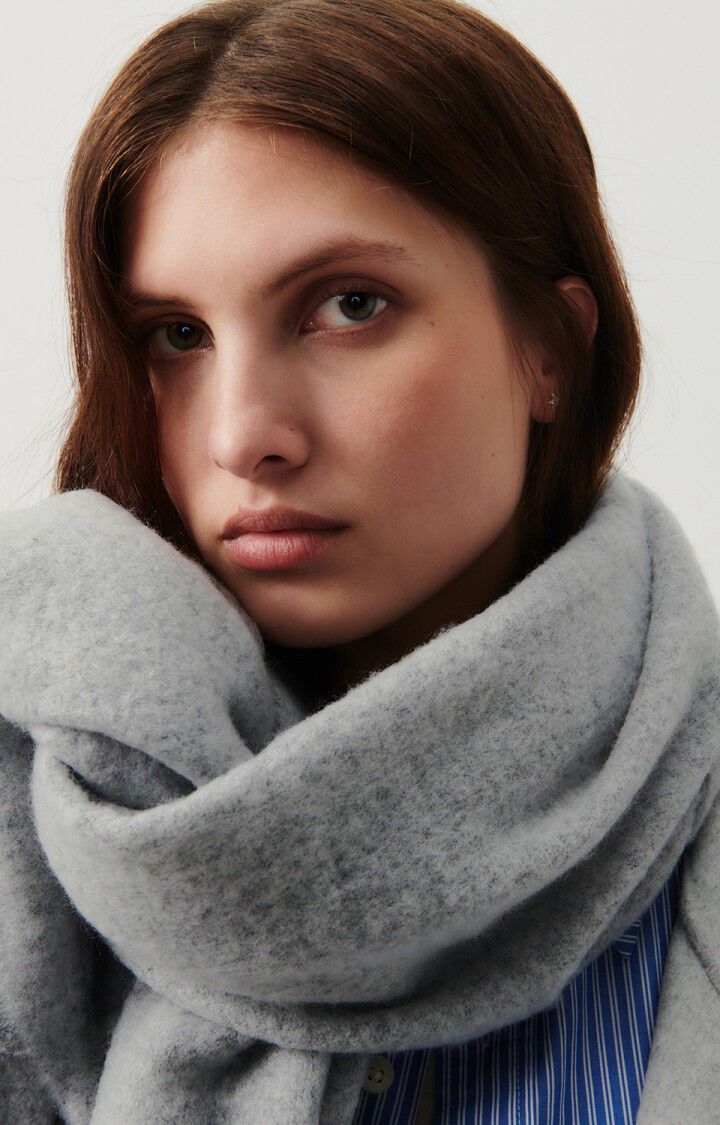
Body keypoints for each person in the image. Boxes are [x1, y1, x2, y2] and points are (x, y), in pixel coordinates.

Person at [1, 1, 718, 1123]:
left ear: (551, 350)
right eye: (178, 336)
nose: (243, 434)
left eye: (348, 306)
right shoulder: (38, 807)